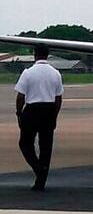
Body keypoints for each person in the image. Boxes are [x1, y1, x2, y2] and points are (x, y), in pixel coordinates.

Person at [14, 44, 63, 191]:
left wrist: (19, 112)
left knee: (25, 144)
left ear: (35, 55)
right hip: (49, 109)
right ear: (47, 55)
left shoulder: (28, 73)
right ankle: (41, 180)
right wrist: (55, 114)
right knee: (46, 146)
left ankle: (38, 169)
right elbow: (59, 98)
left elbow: (20, 96)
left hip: (32, 110)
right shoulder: (55, 73)